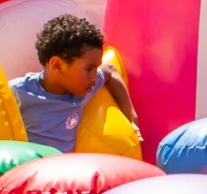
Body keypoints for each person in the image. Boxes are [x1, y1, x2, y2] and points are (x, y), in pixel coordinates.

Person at [10, 14, 141, 152]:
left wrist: (132, 118)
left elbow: (110, 71)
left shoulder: (82, 89)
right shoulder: (18, 92)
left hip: (68, 164)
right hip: (33, 163)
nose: (94, 77)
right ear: (57, 65)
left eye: (96, 69)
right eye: (89, 69)